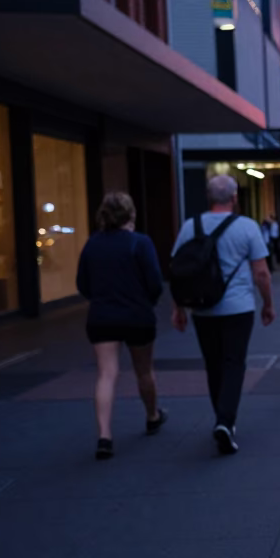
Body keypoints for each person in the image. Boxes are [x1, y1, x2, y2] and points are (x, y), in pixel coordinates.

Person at [171, 175, 274, 456]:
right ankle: (225, 422)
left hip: (202, 308)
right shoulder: (248, 227)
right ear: (235, 197)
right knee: (234, 362)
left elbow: (177, 269)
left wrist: (178, 308)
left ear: (208, 197)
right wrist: (268, 303)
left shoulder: (190, 226)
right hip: (238, 307)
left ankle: (222, 417)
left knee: (213, 364)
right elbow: (262, 273)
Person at [76, 192, 166, 460]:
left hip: (102, 316)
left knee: (106, 374)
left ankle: (104, 435)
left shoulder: (92, 244)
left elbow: (83, 284)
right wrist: (144, 302)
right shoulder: (140, 243)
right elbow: (155, 283)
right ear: (131, 215)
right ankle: (152, 415)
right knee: (144, 370)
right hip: (137, 316)